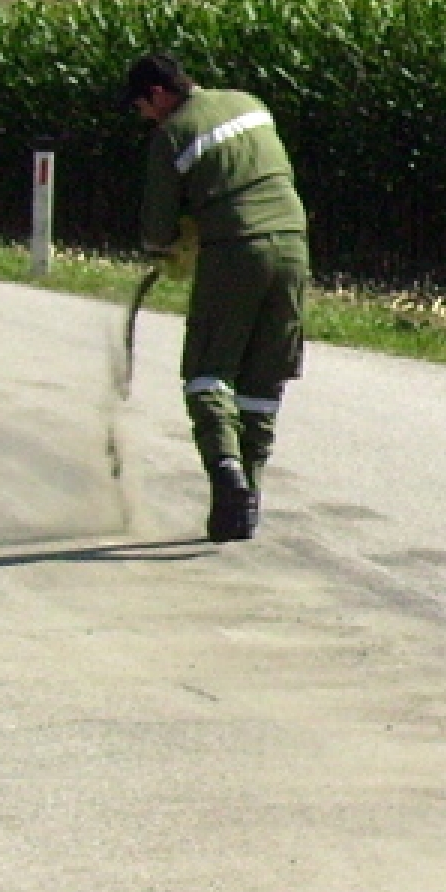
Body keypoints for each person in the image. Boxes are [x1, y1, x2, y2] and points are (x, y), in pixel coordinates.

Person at [123, 52, 310, 542]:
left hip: (235, 253)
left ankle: (226, 472)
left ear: (160, 95)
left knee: (207, 372)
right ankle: (248, 495)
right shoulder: (249, 102)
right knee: (263, 378)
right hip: (294, 247)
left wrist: (174, 245)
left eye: (141, 105)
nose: (143, 115)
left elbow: (157, 231)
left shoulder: (171, 134)